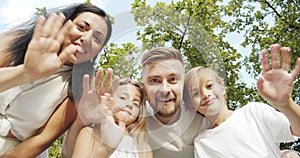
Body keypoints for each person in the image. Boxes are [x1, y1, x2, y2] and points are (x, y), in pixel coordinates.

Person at [0, 3, 112, 157]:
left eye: (97, 39)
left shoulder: (80, 87)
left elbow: (42, 139)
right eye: (81, 27)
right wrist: (24, 73)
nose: (86, 38)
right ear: (65, 23)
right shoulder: (15, 41)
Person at [183, 44, 300, 157]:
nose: (205, 94)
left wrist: (287, 104)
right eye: (196, 93)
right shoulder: (202, 143)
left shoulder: (253, 112)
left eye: (209, 86)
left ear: (223, 88)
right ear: (191, 105)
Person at [141, 47, 210, 157]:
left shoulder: (202, 117)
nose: (165, 90)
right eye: (155, 81)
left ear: (183, 84)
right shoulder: (135, 120)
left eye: (173, 79)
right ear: (144, 88)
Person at [69, 75, 152, 158]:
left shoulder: (143, 148)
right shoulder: (89, 133)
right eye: (123, 97)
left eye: (135, 103)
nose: (129, 104)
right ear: (108, 99)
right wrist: (106, 148)